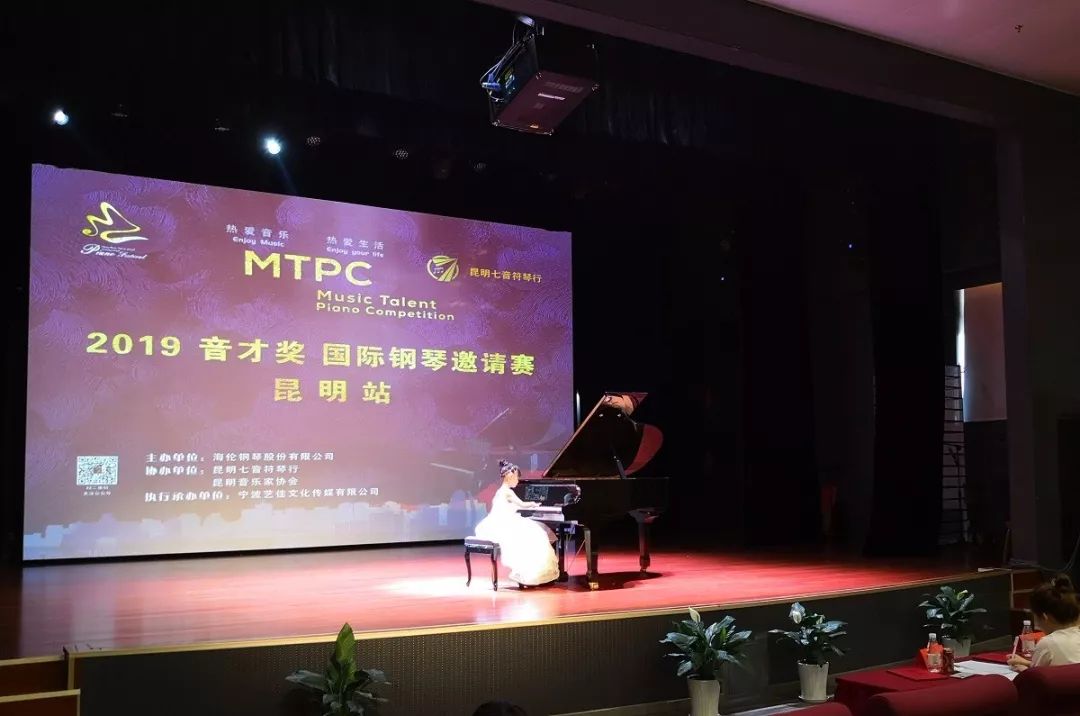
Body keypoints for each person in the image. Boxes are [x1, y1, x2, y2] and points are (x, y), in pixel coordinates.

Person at [473, 460, 559, 586]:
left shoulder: (500, 491)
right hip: (505, 523)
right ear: (510, 476)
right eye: (517, 478)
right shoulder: (507, 492)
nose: (518, 481)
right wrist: (534, 504)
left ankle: (533, 572)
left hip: (501, 522)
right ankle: (531, 573)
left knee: (536, 533)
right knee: (538, 534)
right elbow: (523, 504)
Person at [1008, 574, 1080, 671]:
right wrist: (1027, 663)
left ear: (1044, 617)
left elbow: (1038, 677)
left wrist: (1024, 670)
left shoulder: (1048, 643)